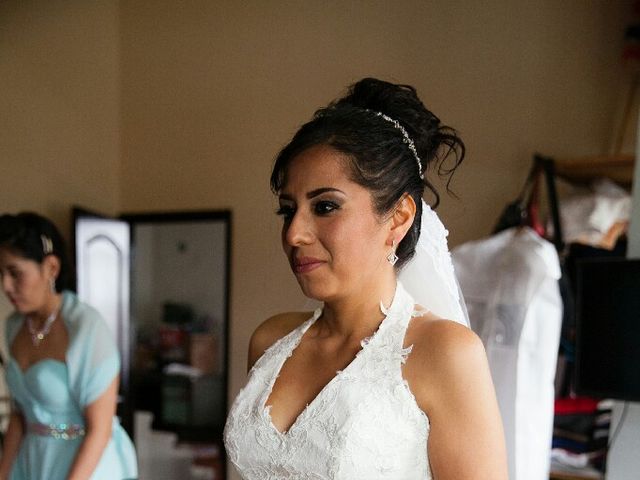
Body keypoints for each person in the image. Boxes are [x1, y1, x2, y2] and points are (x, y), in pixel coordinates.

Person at [224, 78, 508, 479]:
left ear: (399, 217)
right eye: (288, 210)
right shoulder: (269, 341)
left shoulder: (445, 353)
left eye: (324, 206)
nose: (294, 234)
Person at [0, 213, 137, 480]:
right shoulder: (13, 326)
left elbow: (100, 429)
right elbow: (19, 415)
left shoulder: (86, 328)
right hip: (30, 461)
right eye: (0, 273)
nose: (6, 286)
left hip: (84, 465)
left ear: (51, 267)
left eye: (15, 274)